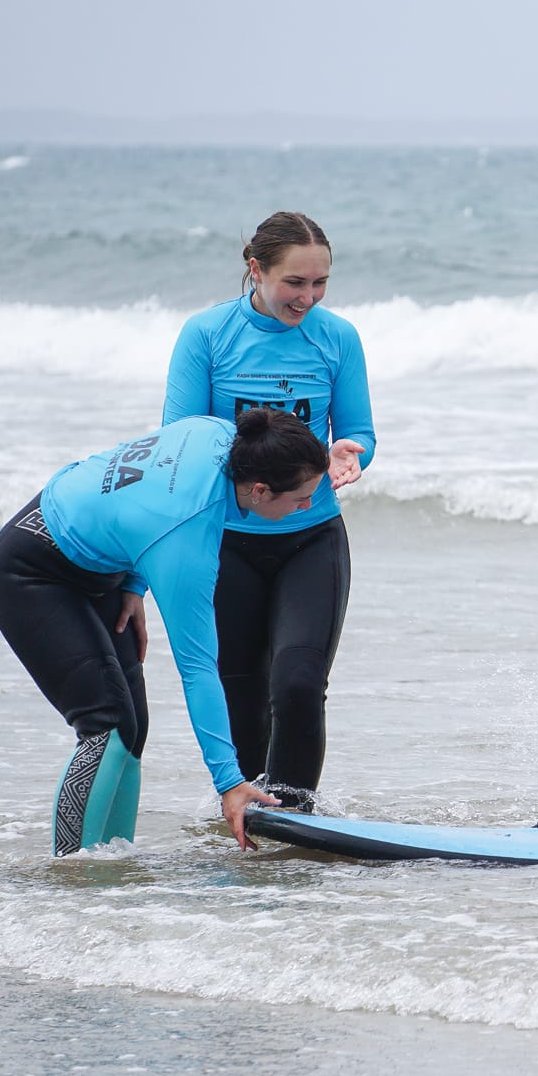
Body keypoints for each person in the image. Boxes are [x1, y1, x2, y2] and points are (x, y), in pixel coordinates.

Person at [0, 407, 330, 854]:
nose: (308, 507)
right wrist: (230, 781)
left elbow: (142, 490)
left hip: (103, 564)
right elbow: (198, 667)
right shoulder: (187, 538)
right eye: (300, 498)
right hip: (31, 569)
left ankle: (113, 860)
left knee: (131, 728)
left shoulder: (221, 433)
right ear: (260, 490)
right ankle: (72, 875)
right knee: (105, 724)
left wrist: (133, 580)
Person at [163, 211, 375, 811]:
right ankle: (250, 813)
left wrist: (347, 454)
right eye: (294, 283)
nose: (307, 298)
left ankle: (293, 813)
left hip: (311, 535)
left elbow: (358, 430)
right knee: (241, 688)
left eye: (320, 284)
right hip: (226, 539)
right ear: (255, 269)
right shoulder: (206, 336)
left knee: (300, 683)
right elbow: (180, 443)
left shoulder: (337, 338)